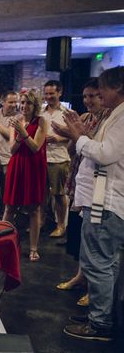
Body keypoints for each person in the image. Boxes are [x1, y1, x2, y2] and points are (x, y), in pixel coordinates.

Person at [52, 66, 124, 341]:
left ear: (116, 87)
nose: (99, 94)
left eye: (102, 89)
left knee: (98, 263)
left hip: (108, 199)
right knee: (106, 262)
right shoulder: (114, 115)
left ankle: (100, 323)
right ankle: (101, 312)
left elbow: (105, 154)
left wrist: (80, 136)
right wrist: (78, 134)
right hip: (102, 196)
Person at [54, 79, 110, 306]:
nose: (88, 101)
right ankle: (80, 276)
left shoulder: (108, 120)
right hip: (80, 178)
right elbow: (72, 149)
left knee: (95, 242)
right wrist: (71, 134)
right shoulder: (87, 118)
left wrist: (77, 134)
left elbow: (99, 151)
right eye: (85, 96)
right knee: (80, 234)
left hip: (99, 186)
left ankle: (94, 290)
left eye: (93, 96)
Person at [2, 90, 48, 262]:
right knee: (9, 207)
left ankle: (33, 248)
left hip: (33, 167)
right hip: (17, 165)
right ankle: (2, 242)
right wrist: (20, 134)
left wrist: (24, 132)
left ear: (34, 105)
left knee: (34, 209)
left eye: (27, 103)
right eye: (22, 102)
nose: (23, 106)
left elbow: (36, 147)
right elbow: (12, 149)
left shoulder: (41, 121)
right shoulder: (15, 121)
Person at [42, 80, 71, 238]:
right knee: (42, 194)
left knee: (59, 195)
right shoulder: (41, 113)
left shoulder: (67, 113)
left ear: (59, 93)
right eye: (46, 93)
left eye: (52, 93)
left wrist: (58, 139)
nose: (48, 96)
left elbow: (76, 136)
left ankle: (61, 225)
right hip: (41, 159)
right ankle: (42, 221)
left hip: (59, 158)